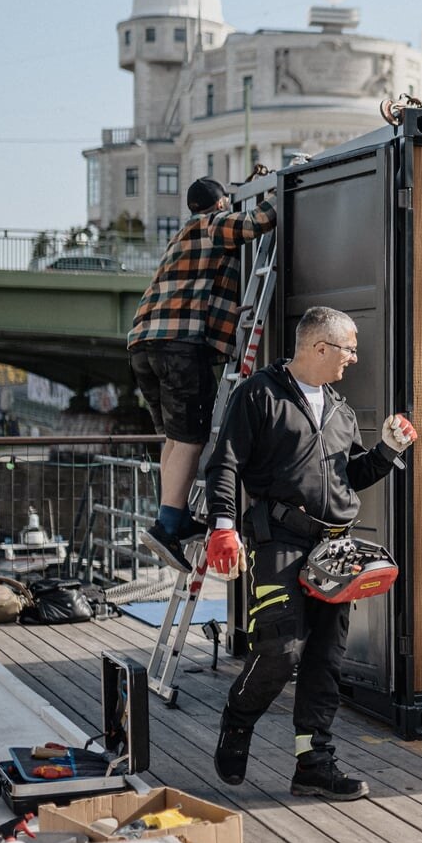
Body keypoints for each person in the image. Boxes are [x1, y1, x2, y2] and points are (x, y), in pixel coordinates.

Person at [204, 306, 417, 800]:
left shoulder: (342, 413)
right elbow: (225, 463)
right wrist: (222, 527)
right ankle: (238, 719)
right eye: (349, 348)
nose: (354, 359)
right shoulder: (257, 393)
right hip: (279, 539)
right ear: (320, 347)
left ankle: (313, 764)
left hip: (335, 550)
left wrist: (387, 450)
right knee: (281, 650)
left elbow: (351, 477)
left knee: (325, 659)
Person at [128, 175, 277, 569]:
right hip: (178, 347)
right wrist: (286, 186)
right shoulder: (211, 225)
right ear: (221, 203)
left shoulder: (181, 238)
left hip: (145, 345)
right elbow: (259, 221)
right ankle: (167, 526)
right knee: (192, 438)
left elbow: (201, 292)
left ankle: (173, 519)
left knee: (174, 438)